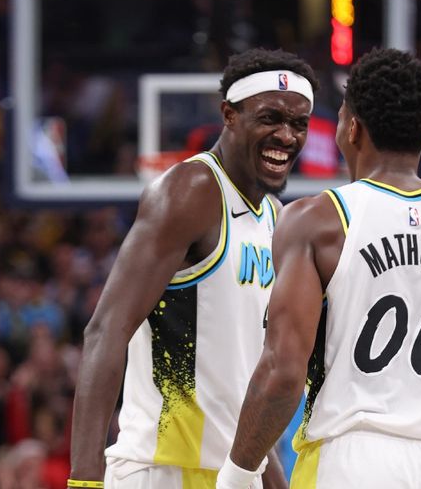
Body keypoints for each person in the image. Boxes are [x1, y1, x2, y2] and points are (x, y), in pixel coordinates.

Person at [216, 48, 421, 489]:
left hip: (350, 460)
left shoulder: (318, 222)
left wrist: (237, 473)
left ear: (352, 128)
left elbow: (283, 371)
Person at [69, 48, 320, 489]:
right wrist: (84, 481)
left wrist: (267, 475)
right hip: (163, 467)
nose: (287, 135)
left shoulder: (275, 218)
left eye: (299, 124)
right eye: (270, 118)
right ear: (229, 114)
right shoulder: (192, 190)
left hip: (235, 474)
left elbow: (245, 380)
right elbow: (105, 331)